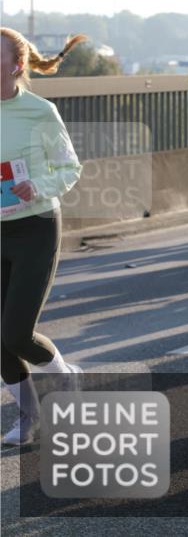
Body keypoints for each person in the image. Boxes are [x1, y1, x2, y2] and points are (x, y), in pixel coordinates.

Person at [1, 29, 85, 446]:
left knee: (16, 333)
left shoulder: (39, 112)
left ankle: (64, 377)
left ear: (17, 66)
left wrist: (37, 185)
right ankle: (28, 418)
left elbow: (69, 169)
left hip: (34, 227)